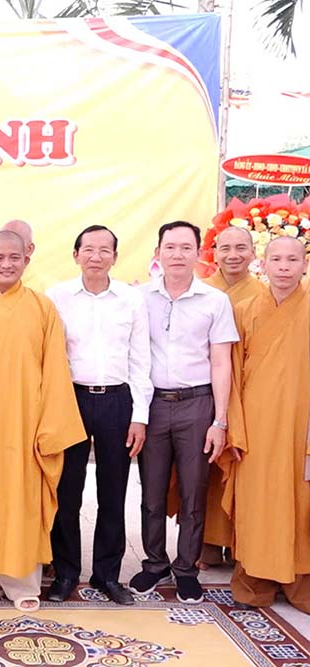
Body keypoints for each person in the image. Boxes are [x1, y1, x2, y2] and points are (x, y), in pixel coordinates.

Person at [0, 230, 85, 612]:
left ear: (26, 260)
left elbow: (56, 369)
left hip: (25, 426)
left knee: (21, 503)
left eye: (14, 257)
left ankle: (22, 583)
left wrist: (48, 428)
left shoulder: (42, 309)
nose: (6, 264)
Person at [130, 220, 238, 604]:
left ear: (198, 254)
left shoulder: (214, 302)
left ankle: (186, 568)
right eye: (170, 247)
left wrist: (219, 420)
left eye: (185, 248)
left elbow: (221, 362)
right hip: (153, 404)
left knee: (194, 492)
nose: (177, 254)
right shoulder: (139, 298)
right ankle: (154, 564)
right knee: (152, 492)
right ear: (157, 252)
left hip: (197, 404)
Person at [45, 225, 152, 605]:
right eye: (88, 249)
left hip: (117, 401)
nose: (95, 256)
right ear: (75, 255)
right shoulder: (56, 297)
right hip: (70, 398)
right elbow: (48, 357)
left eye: (104, 250)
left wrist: (139, 415)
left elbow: (141, 360)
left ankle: (107, 575)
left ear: (115, 257)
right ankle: (64, 574)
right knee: (67, 492)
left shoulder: (130, 299)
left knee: (113, 492)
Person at [221, 236, 310, 612]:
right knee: (257, 503)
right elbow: (230, 373)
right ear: (265, 264)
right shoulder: (243, 310)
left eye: (293, 259)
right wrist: (232, 427)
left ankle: (300, 583)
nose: (285, 267)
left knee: (301, 502)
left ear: (305, 264)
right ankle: (253, 580)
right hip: (255, 426)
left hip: (302, 426)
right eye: (277, 259)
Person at [194, 226, 265, 569]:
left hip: (252, 395)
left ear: (253, 253)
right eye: (225, 248)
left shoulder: (266, 295)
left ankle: (240, 541)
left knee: (246, 468)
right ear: (214, 252)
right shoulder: (202, 292)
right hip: (207, 393)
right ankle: (208, 541)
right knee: (206, 468)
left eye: (241, 248)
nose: (233, 254)